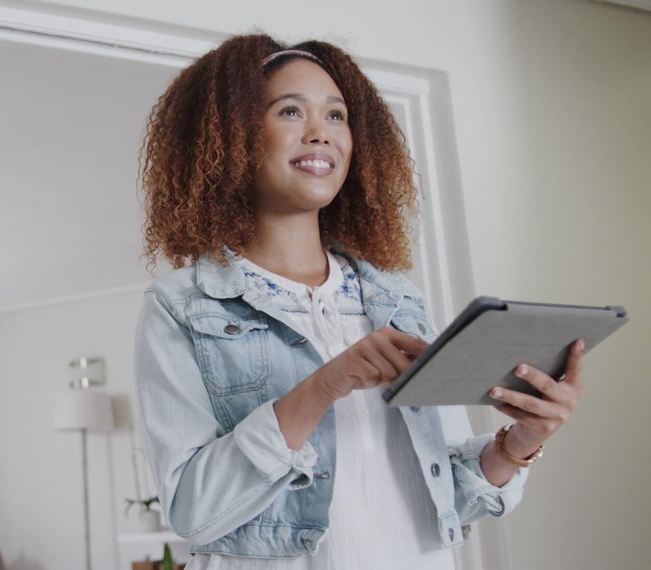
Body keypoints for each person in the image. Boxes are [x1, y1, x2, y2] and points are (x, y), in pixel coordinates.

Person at [133, 34, 585, 569]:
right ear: (230, 137)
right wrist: (325, 385)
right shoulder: (181, 305)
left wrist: (520, 442)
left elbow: (451, 498)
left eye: (337, 116)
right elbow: (193, 509)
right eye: (291, 110)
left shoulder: (398, 298)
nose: (320, 133)